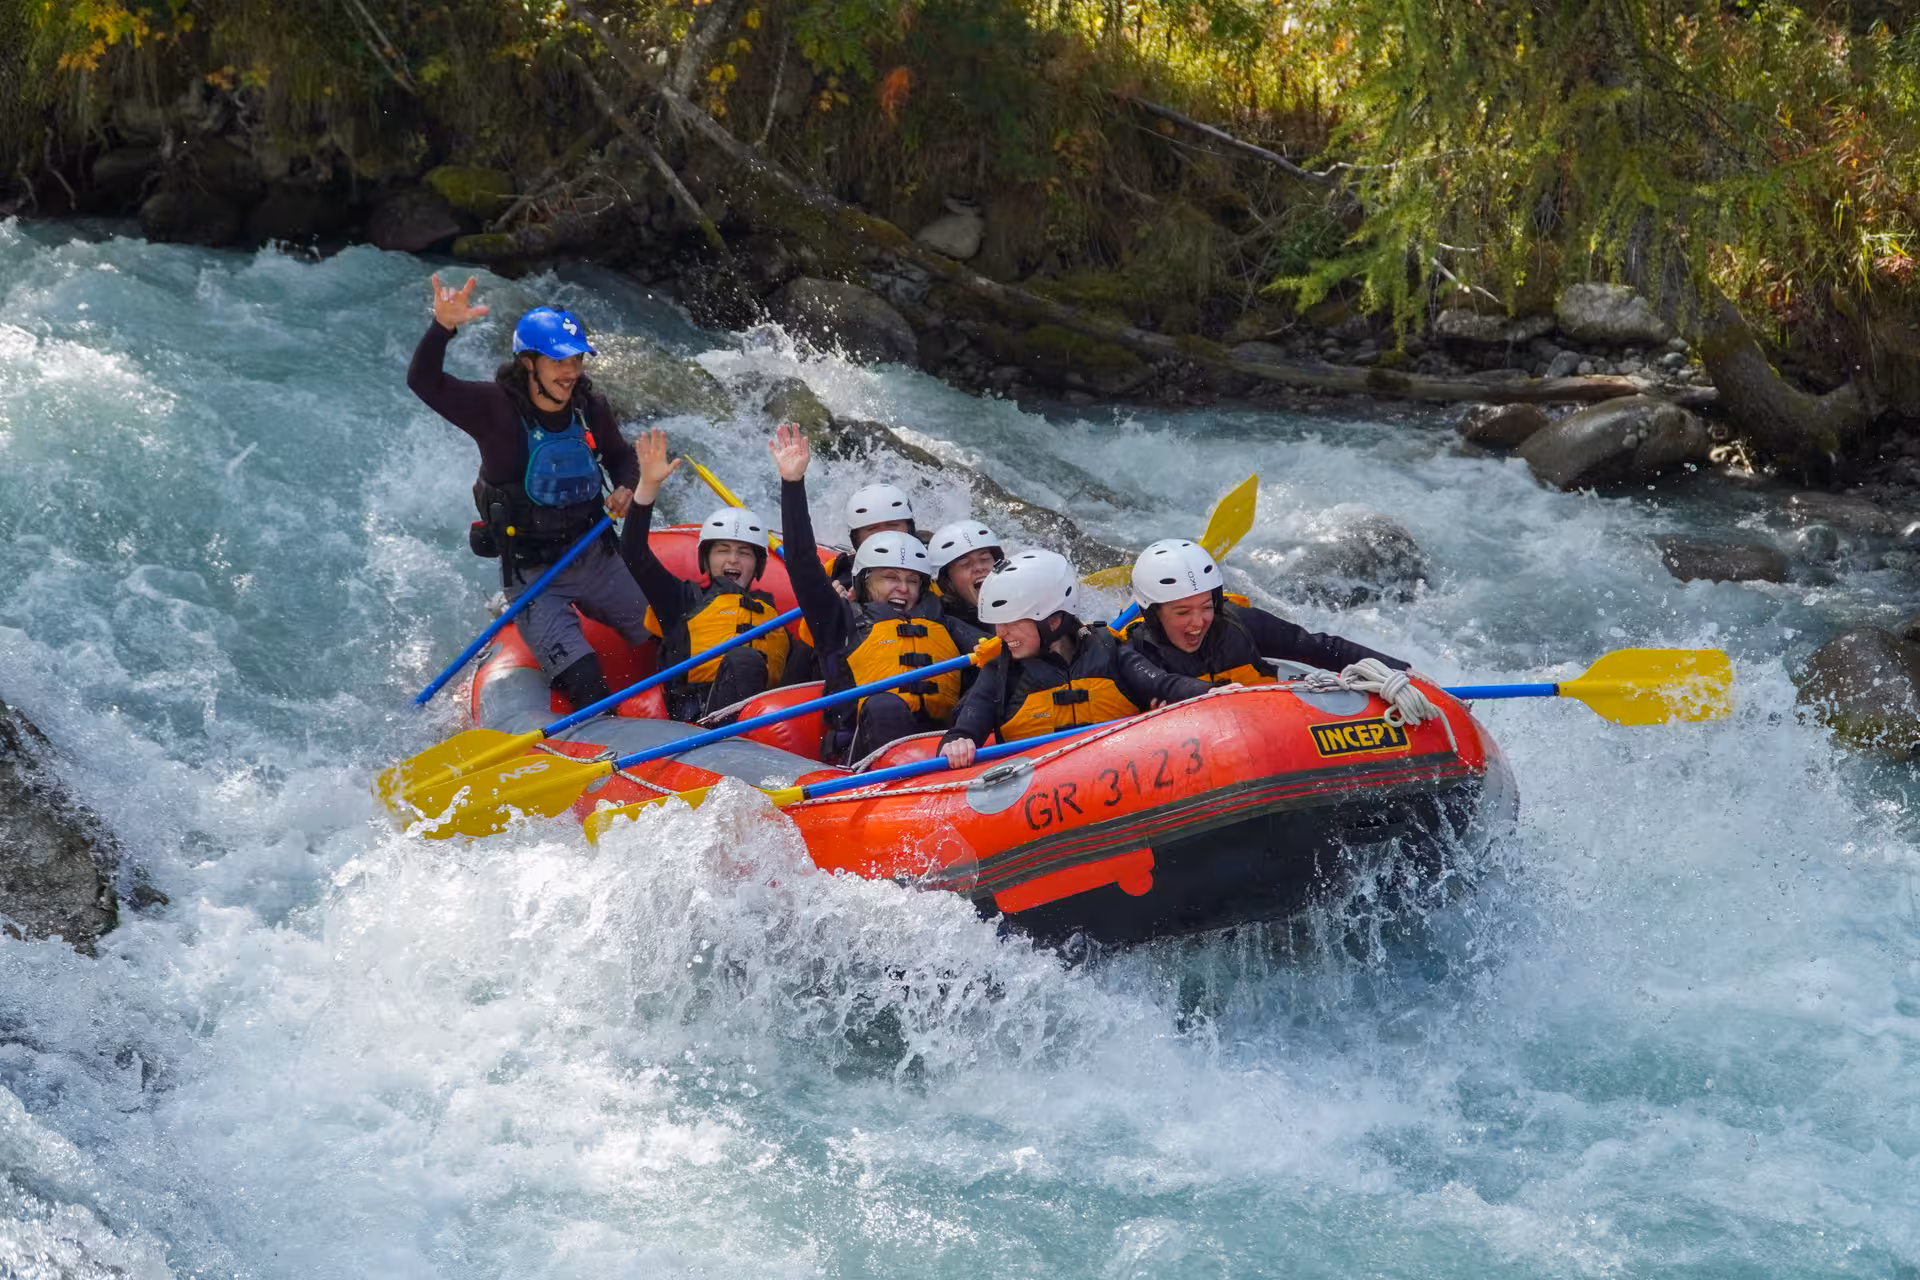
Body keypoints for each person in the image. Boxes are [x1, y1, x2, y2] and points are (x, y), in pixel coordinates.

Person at [407, 274, 650, 708]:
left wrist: (626, 487)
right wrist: (442, 327)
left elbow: (619, 456)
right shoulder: (493, 408)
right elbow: (424, 383)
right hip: (534, 577)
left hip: (595, 556)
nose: (571, 372)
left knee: (667, 641)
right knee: (587, 686)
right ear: (528, 362)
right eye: (558, 361)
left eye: (576, 359)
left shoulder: (588, 405)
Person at [768, 424, 968, 763]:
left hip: (939, 750)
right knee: (884, 705)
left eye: (911, 580)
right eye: (890, 578)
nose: (902, 588)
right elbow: (801, 561)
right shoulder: (838, 620)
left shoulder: (942, 615)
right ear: (864, 581)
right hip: (865, 756)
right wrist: (792, 483)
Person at [618, 429, 790, 723]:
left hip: (760, 725)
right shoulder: (681, 600)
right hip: (699, 719)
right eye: (722, 550)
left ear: (758, 565)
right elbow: (634, 553)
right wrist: (647, 486)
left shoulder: (773, 616)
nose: (733, 559)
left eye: (744, 553)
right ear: (705, 560)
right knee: (744, 659)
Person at [1117, 538, 1410, 706]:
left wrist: (1401, 671)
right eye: (1182, 612)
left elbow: (1321, 647)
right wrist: (1209, 694)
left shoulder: (1238, 624)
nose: (1198, 622)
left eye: (1206, 607)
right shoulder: (1133, 652)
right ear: (1153, 614)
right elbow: (1161, 684)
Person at [938, 549, 1145, 768]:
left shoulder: (1109, 649)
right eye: (997, 623)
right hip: (1035, 780)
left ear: (1053, 621)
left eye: (1012, 622)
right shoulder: (999, 670)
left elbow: (1163, 686)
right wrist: (957, 742)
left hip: (1118, 767)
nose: (1000, 633)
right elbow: (964, 729)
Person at [926, 519, 1005, 652]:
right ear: (947, 581)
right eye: (965, 564)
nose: (979, 567)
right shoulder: (942, 624)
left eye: (985, 559)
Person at [828, 482, 919, 591]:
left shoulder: (930, 569)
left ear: (909, 528)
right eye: (872, 529)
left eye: (892, 526)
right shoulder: (839, 567)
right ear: (856, 538)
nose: (884, 537)